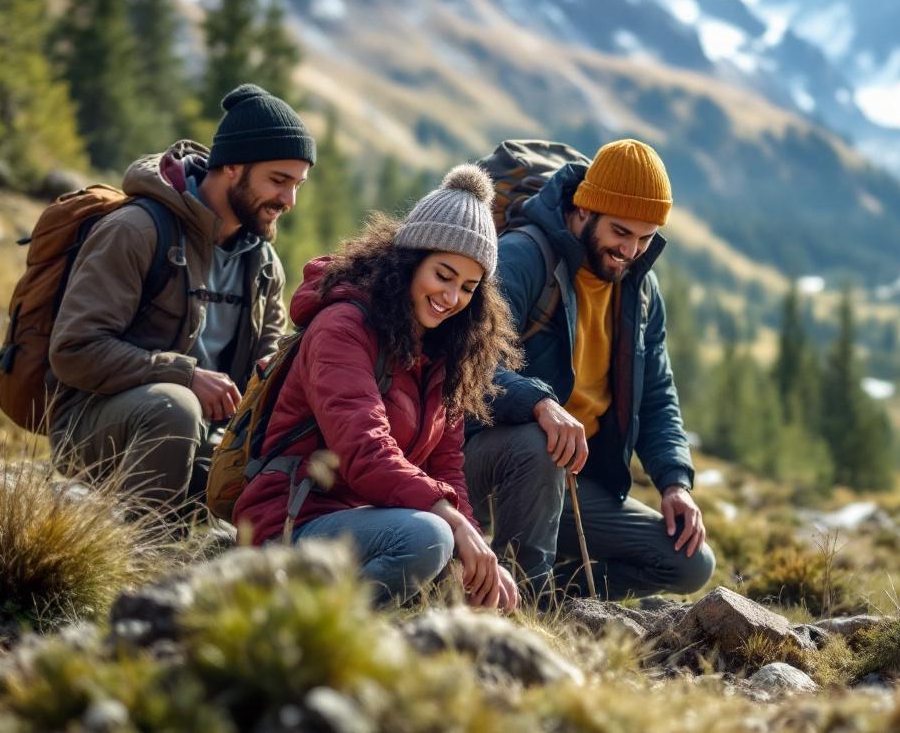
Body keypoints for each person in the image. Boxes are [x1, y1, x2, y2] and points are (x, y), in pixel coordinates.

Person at [233, 165, 522, 609]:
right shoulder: (343, 327)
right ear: (408, 261)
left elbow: (446, 467)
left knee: (489, 588)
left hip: (376, 522)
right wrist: (451, 523)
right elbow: (364, 452)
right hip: (293, 522)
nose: (452, 298)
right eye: (442, 276)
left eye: (468, 287)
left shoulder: (443, 350)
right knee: (429, 537)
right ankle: (323, 631)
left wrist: (475, 547)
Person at [464, 138, 715, 602]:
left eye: (645, 237)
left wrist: (674, 481)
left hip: (573, 482)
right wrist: (538, 402)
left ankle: (541, 596)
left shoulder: (639, 289)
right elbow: (468, 364)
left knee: (689, 563)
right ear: (584, 209)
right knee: (539, 443)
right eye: (620, 232)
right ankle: (525, 614)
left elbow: (657, 395)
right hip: (490, 463)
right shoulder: (523, 257)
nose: (631, 250)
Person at [49, 84, 309, 515]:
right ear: (232, 167)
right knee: (177, 408)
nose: (289, 200)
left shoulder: (263, 264)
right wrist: (186, 376)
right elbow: (74, 351)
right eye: (278, 181)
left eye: (298, 184)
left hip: (208, 435)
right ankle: (137, 558)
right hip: (97, 424)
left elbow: (265, 377)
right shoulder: (137, 230)